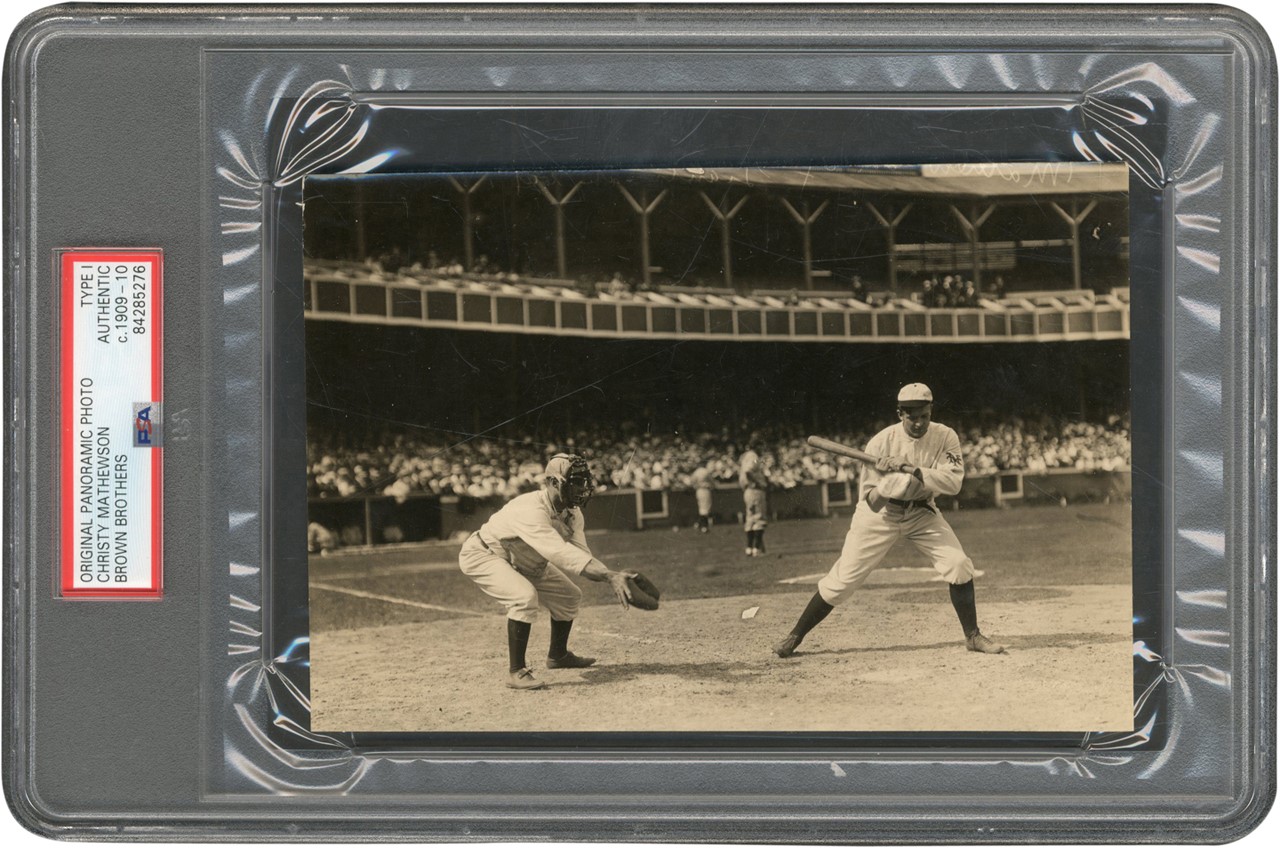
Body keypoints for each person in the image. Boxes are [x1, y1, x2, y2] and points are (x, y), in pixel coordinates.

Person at [773, 383, 1006, 658]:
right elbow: (871, 503)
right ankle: (795, 636)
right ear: (900, 414)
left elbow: (954, 483)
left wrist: (914, 470)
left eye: (924, 416)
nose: (918, 423)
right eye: (912, 417)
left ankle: (973, 636)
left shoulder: (946, 436)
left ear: (931, 411)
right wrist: (886, 484)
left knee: (958, 565)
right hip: (881, 516)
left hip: (922, 511)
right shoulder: (880, 442)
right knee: (843, 581)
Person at [458, 453, 636, 690]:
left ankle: (558, 655)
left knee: (569, 597)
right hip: (484, 554)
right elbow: (560, 553)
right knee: (523, 597)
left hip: (524, 559)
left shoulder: (573, 514)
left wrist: (610, 575)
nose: (582, 488)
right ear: (554, 483)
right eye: (575, 482)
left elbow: (581, 553)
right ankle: (516, 671)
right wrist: (609, 576)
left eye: (584, 481)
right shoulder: (531, 509)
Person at [739, 442, 768, 556]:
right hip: (755, 489)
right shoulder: (753, 456)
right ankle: (757, 548)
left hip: (747, 490)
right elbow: (748, 471)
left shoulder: (745, 456)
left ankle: (749, 548)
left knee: (750, 518)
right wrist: (758, 482)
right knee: (759, 518)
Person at [691, 464, 714, 533]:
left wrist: (696, 486)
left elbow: (692, 481)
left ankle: (699, 524)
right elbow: (711, 481)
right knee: (705, 508)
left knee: (702, 507)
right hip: (705, 489)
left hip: (698, 490)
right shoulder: (705, 471)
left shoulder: (696, 472)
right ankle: (704, 526)